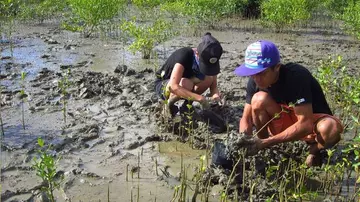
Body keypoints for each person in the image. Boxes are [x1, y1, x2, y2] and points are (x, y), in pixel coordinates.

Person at [234, 40, 343, 167]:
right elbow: (245, 119)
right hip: (285, 117)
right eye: (253, 74)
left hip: (310, 122)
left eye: (262, 73)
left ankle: (314, 150)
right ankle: (264, 150)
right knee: (258, 100)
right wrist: (243, 140)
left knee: (330, 129)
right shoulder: (255, 81)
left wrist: (267, 142)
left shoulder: (296, 76)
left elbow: (306, 124)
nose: (257, 79)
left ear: (277, 67)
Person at [154, 32, 223, 116]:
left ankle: (186, 105)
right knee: (186, 83)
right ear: (197, 53)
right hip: (165, 85)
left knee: (209, 78)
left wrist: (216, 97)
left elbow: (214, 86)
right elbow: (173, 86)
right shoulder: (184, 55)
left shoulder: (211, 60)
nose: (208, 68)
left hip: (186, 83)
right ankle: (169, 106)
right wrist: (200, 98)